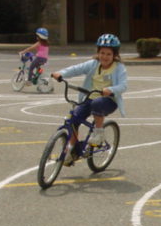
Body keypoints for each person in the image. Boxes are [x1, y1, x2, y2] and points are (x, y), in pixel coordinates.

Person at [51, 33, 127, 165]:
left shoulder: (119, 68)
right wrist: (61, 73)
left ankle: (99, 132)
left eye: (109, 54)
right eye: (102, 53)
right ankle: (71, 151)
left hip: (108, 101)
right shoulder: (93, 64)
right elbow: (75, 69)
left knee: (97, 103)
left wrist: (111, 90)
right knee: (73, 119)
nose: (105, 57)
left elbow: (123, 85)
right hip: (89, 98)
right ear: (98, 53)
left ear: (115, 55)